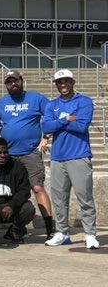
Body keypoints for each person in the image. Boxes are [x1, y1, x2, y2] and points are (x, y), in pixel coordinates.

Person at [42, 69, 99, 249]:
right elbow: (46, 126)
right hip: (58, 158)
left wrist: (58, 124)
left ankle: (90, 234)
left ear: (73, 82)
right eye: (59, 82)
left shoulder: (84, 101)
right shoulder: (52, 105)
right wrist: (67, 119)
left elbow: (82, 126)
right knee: (59, 199)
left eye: (66, 81)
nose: (63, 85)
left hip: (79, 155)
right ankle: (62, 232)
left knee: (84, 197)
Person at [0, 70, 55, 240]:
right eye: (9, 82)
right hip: (8, 156)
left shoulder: (37, 99)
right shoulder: (0, 104)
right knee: (11, 193)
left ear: (22, 81)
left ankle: (50, 227)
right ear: (5, 85)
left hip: (30, 153)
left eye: (15, 80)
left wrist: (46, 137)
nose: (13, 84)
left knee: (37, 188)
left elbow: (51, 117)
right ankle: (16, 228)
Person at [0, 138, 34, 243]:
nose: (2, 155)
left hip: (11, 206)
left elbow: (24, 191)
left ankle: (15, 231)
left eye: (5, 152)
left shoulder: (18, 167)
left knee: (28, 209)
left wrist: (11, 205)